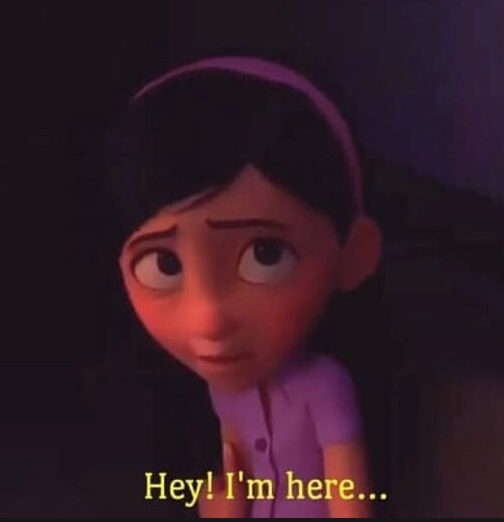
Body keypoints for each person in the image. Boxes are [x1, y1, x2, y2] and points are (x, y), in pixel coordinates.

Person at [114, 56, 382, 518]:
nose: (208, 317)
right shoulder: (222, 388)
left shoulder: (324, 384)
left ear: (354, 255)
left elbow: (350, 500)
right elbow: (235, 471)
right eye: (163, 265)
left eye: (266, 255)